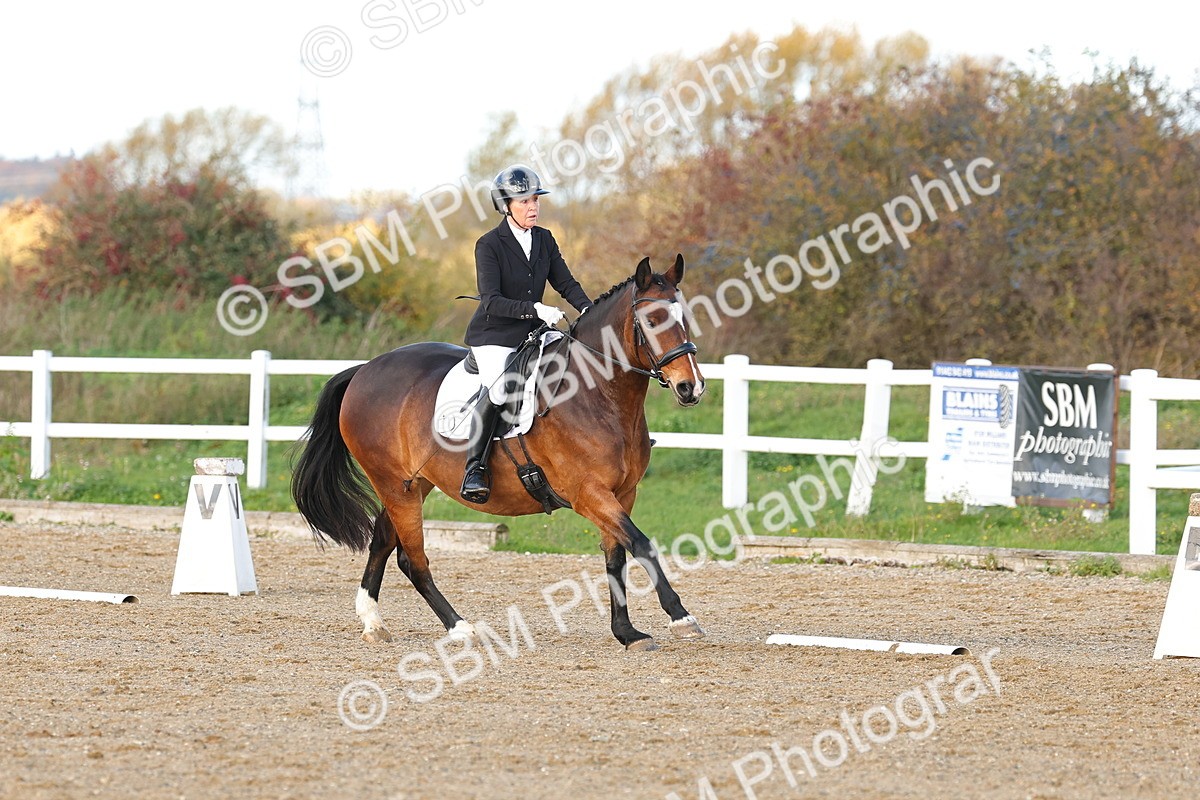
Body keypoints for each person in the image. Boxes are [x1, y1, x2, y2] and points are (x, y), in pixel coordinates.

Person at [459, 164, 593, 504]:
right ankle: (474, 468)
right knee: (502, 390)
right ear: (505, 205)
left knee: (571, 366)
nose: (532, 207)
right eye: (524, 202)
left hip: (533, 332)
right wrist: (535, 310)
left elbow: (565, 283)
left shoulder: (544, 238)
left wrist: (590, 311)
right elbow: (491, 301)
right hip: (494, 333)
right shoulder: (488, 244)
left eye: (535, 200)